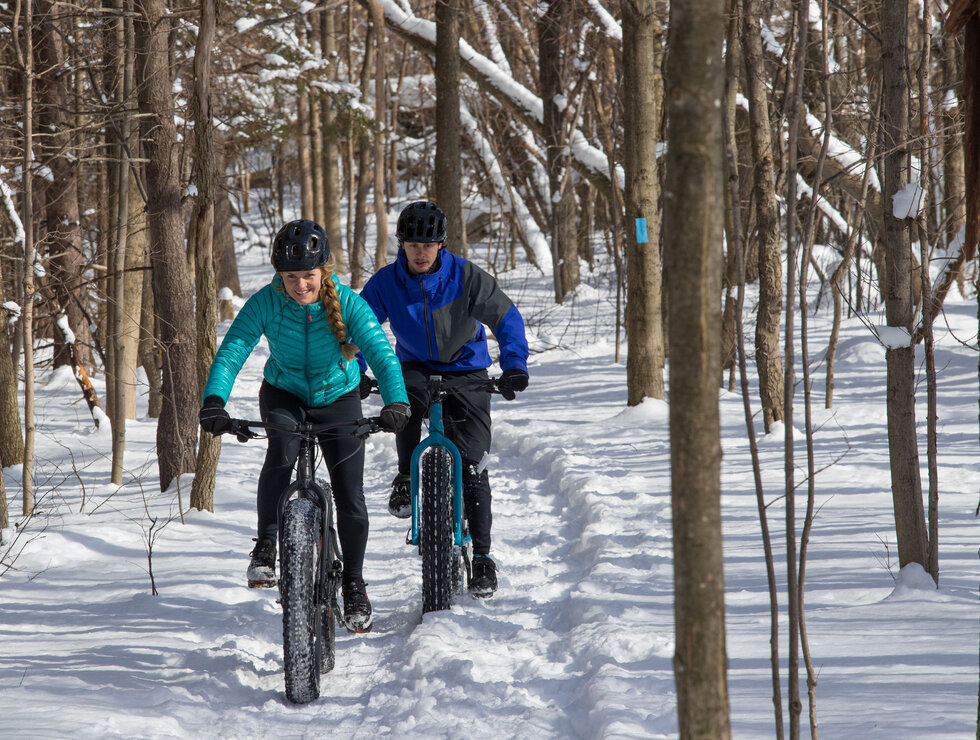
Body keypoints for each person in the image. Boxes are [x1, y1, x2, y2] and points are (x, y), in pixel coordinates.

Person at [199, 219, 410, 633]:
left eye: (308, 276)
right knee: (281, 453)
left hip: (339, 397)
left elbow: (382, 354)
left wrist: (397, 401)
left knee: (350, 493)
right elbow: (233, 350)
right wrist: (214, 401)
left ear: (322, 272)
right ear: (280, 275)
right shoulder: (267, 301)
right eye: (291, 277)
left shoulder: (348, 303)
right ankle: (266, 547)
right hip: (285, 393)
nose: (300, 286)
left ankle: (353, 584)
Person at [359, 200, 529, 598]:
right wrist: (358, 372)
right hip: (413, 364)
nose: (420, 252)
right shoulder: (386, 283)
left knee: (474, 464)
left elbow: (506, 317)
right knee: (400, 406)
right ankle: (405, 475)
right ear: (401, 245)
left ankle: (483, 558)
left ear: (442, 245)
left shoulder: (466, 277)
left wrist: (515, 365)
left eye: (429, 245)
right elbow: (361, 327)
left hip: (465, 366)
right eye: (412, 245)